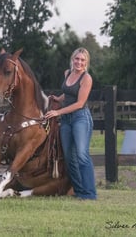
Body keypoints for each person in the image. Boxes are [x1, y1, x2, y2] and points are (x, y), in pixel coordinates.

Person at [45, 47, 97, 200]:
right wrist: (58, 99)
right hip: (66, 120)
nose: (79, 62)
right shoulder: (67, 73)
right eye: (77, 59)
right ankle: (79, 191)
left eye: (82, 60)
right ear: (72, 59)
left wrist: (57, 112)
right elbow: (68, 93)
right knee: (69, 156)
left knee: (82, 155)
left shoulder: (86, 78)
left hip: (80, 118)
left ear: (86, 62)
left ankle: (90, 194)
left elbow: (80, 103)